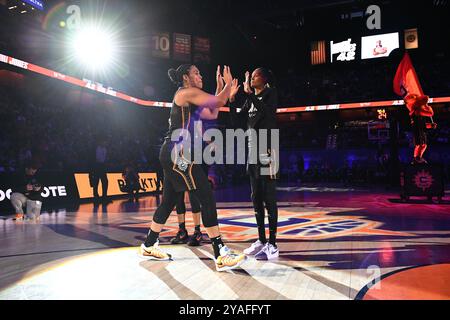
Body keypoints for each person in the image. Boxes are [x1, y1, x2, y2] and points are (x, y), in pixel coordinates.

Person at [139, 64, 246, 272]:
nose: (200, 76)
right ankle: (220, 253)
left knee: (169, 200)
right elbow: (218, 102)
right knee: (205, 194)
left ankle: (149, 244)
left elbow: (211, 112)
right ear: (186, 78)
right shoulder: (186, 92)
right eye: (196, 73)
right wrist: (224, 86)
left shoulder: (188, 96)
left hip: (171, 151)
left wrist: (219, 87)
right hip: (178, 152)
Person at [229, 68, 280, 260]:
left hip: (268, 148)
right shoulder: (250, 99)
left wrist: (251, 96)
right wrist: (232, 100)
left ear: (265, 79)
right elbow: (236, 122)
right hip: (252, 151)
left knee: (269, 197)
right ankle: (261, 240)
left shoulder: (270, 93)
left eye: (256, 75)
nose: (252, 78)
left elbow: (268, 113)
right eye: (251, 76)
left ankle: (273, 245)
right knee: (256, 197)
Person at [405, 94, 435, 164]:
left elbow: (422, 124)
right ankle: (416, 158)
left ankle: (418, 158)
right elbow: (431, 113)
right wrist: (428, 106)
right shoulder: (417, 110)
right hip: (417, 130)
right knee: (419, 145)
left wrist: (430, 125)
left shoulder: (417, 111)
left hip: (420, 129)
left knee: (424, 145)